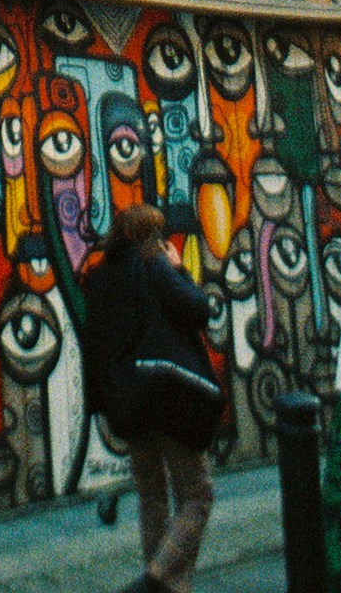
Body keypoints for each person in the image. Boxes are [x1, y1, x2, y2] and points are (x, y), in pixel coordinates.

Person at [80, 202, 219, 593]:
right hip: (167, 396)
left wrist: (100, 405)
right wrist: (181, 271)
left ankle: (168, 586)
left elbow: (93, 347)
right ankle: (155, 580)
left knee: (152, 497)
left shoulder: (101, 279)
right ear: (150, 237)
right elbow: (197, 309)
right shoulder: (155, 266)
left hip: (126, 403)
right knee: (197, 493)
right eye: (157, 233)